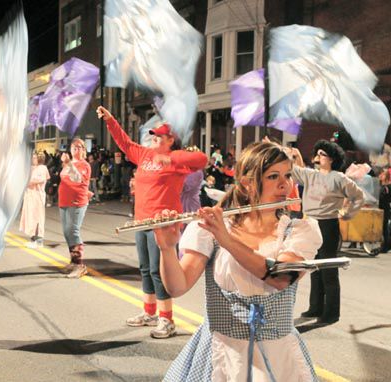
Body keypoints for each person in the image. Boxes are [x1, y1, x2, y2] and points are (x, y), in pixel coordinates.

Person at [155, 141, 323, 381]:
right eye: (273, 176)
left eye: (288, 175)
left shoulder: (299, 230)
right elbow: (177, 286)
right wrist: (167, 248)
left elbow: (280, 278)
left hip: (279, 356)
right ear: (247, 182)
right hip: (220, 353)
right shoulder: (211, 230)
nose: (285, 184)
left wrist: (227, 240)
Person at [97, 106, 207, 339]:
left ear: (170, 139)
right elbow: (125, 144)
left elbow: (201, 159)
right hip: (142, 220)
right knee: (145, 269)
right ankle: (150, 313)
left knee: (160, 271)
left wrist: (170, 159)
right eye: (153, 135)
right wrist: (110, 119)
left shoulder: (177, 159)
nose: (154, 139)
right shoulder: (145, 155)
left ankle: (167, 319)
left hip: (163, 222)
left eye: (159, 136)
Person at [291, 139, 364, 325]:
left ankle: (331, 312)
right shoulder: (310, 174)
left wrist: (347, 214)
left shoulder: (339, 178)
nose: (318, 156)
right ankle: (315, 307)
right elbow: (291, 168)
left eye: (322, 154)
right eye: (318, 153)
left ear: (331, 158)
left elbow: (358, 196)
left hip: (328, 224)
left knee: (328, 270)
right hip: (310, 222)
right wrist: (284, 151)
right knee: (313, 268)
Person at [58, 138, 91, 278]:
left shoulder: (84, 165)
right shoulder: (68, 164)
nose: (76, 149)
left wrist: (68, 164)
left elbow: (77, 179)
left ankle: (80, 265)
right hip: (64, 201)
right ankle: (73, 260)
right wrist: (67, 164)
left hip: (76, 202)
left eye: (79, 147)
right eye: (74, 146)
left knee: (73, 231)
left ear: (83, 150)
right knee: (67, 232)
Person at [20, 152, 50, 248]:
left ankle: (39, 240)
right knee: (30, 217)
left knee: (37, 217)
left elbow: (36, 179)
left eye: (35, 157)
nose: (33, 159)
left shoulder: (42, 168)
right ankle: (33, 239)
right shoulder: (33, 168)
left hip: (37, 196)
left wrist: (26, 179)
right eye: (32, 157)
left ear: (40, 158)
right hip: (30, 195)